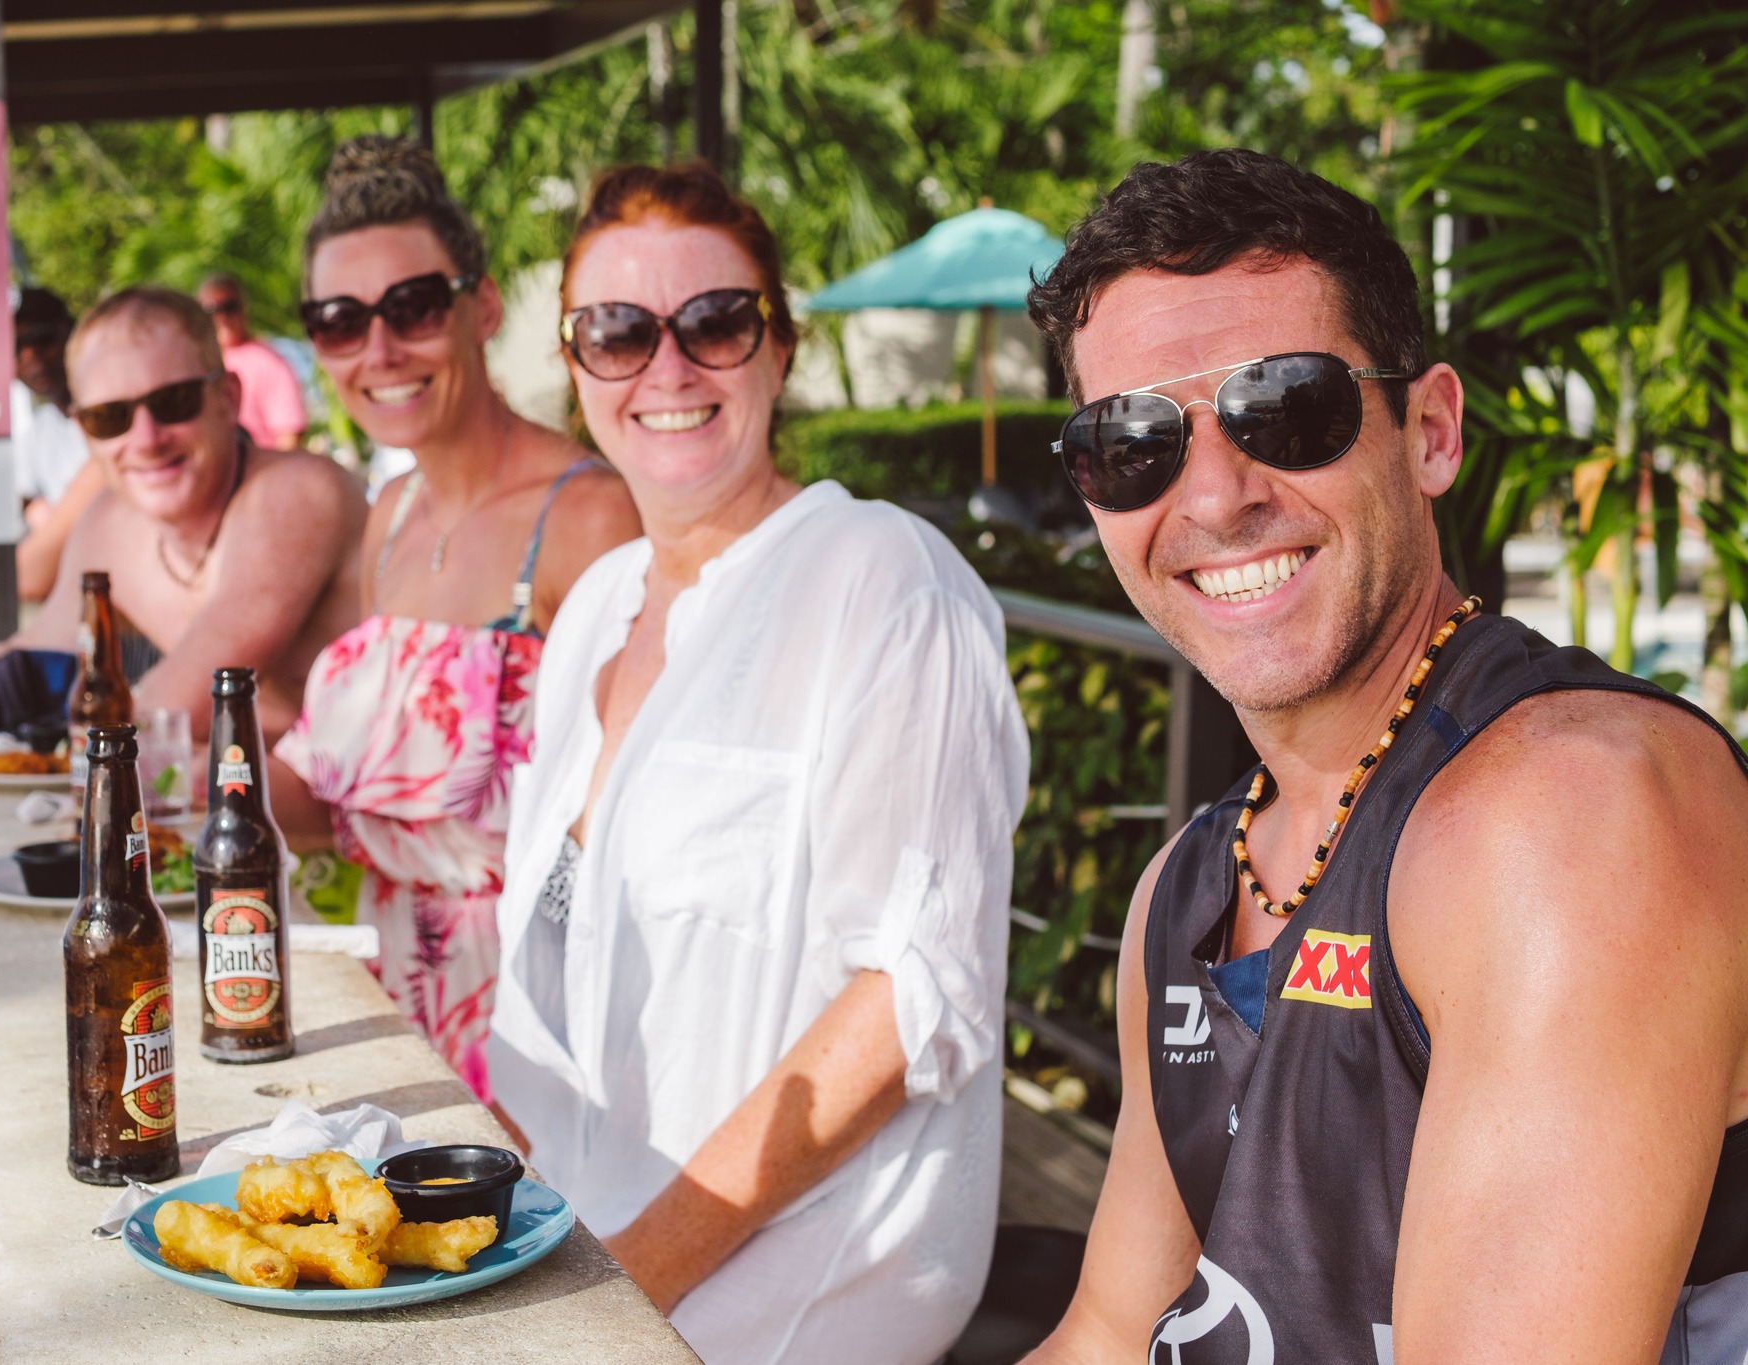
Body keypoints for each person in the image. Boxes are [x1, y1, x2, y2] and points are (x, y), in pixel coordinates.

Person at [1020, 148, 1748, 1364]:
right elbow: (1103, 1335)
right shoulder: (1188, 892)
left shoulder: (1568, 814)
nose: (1211, 497)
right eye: (1130, 442)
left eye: (1284, 408)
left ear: (1429, 432)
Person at [485, 163, 1029, 1365]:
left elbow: (905, 997)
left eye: (716, 324)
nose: (667, 369)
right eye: (617, 332)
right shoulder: (595, 609)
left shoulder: (882, 578)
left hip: (767, 1296)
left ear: (777, 350)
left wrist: (622, 1287)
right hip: (563, 1257)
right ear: (576, 371)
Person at [267, 137, 640, 1101]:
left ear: (480, 307)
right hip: (400, 1016)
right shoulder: (387, 520)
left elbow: (633, 826)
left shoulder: (587, 516)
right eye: (340, 320)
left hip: (543, 1032)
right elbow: (358, 804)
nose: (379, 350)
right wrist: (170, 786)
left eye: (414, 307)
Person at [0, 286, 368, 809]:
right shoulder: (112, 521)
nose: (147, 438)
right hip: (244, 828)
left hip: (365, 842)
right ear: (83, 430)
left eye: (174, 402)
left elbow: (180, 707)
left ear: (228, 398)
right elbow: (43, 650)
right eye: (111, 418)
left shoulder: (294, 494)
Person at [9, 287, 100, 602]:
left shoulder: (116, 418)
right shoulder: (39, 431)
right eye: (16, 347)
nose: (31, 356)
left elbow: (29, 577)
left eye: (42, 338)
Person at [198, 272, 310, 451]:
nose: (222, 317)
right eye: (211, 310)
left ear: (244, 309)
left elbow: (289, 439)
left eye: (229, 307)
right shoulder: (196, 364)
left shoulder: (269, 362)